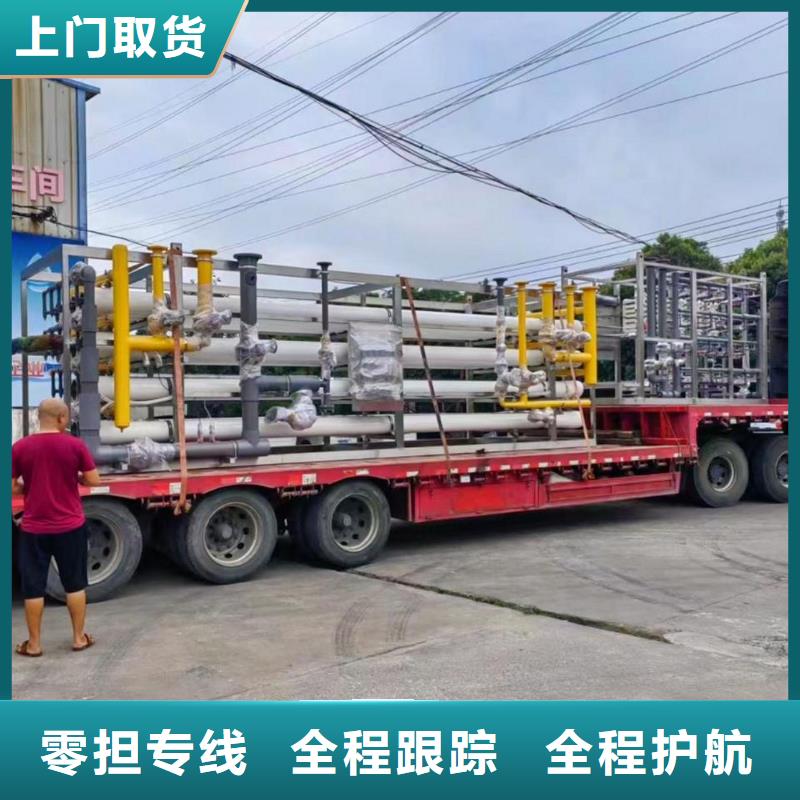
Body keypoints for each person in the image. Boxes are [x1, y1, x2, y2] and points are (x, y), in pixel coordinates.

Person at [12, 398, 102, 656]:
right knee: (74, 584)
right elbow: (94, 480)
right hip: (70, 526)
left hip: (34, 528)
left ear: (39, 418)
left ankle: (34, 644)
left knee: (33, 587)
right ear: (62, 418)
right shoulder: (75, 445)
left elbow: (11, 486)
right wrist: (77, 478)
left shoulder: (20, 447)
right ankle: (78, 638)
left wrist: (31, 487)